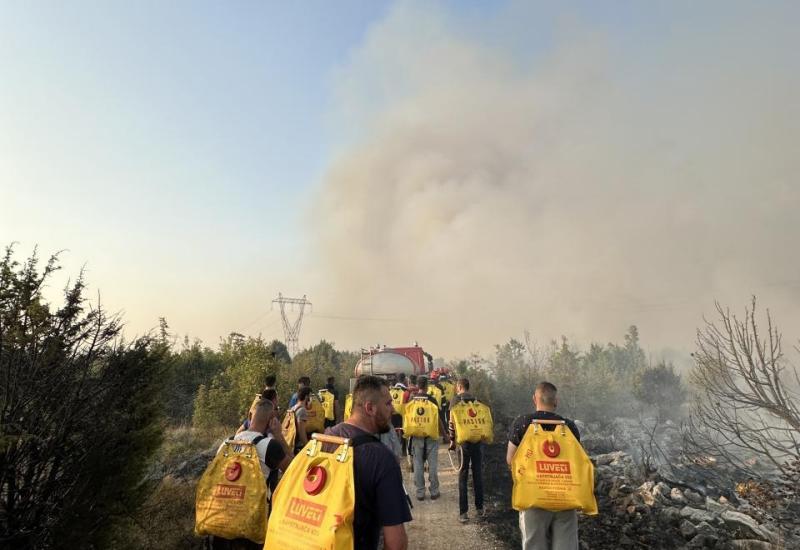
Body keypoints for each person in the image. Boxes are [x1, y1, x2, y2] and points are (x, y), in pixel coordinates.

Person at [325, 375, 411, 550]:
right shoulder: (382, 459)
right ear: (370, 408)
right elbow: (397, 544)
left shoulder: (325, 438)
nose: (393, 410)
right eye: (388, 404)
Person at [506, 382, 581, 550]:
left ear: (535, 399)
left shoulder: (523, 423)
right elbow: (577, 461)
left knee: (534, 545)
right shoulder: (569, 427)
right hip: (565, 497)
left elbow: (511, 460)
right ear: (556, 401)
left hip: (534, 497)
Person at [212, 398, 292, 550]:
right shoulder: (270, 446)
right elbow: (295, 470)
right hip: (252, 522)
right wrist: (279, 435)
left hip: (222, 518)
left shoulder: (226, 443)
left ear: (249, 416)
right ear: (271, 421)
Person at [448, 378, 485, 523]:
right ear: (468, 387)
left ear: (459, 387)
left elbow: (451, 422)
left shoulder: (455, 400)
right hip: (477, 441)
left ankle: (463, 513)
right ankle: (480, 509)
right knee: (478, 474)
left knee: (463, 476)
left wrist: (452, 441)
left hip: (463, 443)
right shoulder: (477, 400)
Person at [409, 376, 449, 501]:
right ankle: (434, 491)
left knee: (418, 465)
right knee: (432, 465)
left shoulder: (412, 400)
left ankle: (420, 492)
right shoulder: (432, 400)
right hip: (431, 436)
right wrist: (445, 435)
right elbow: (438, 420)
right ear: (426, 386)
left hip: (416, 437)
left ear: (417, 385)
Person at [289, 386, 311, 454]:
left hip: (292, 443)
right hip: (299, 446)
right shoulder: (302, 411)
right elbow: (301, 432)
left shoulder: (293, 408)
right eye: (310, 396)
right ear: (307, 397)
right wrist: (307, 446)